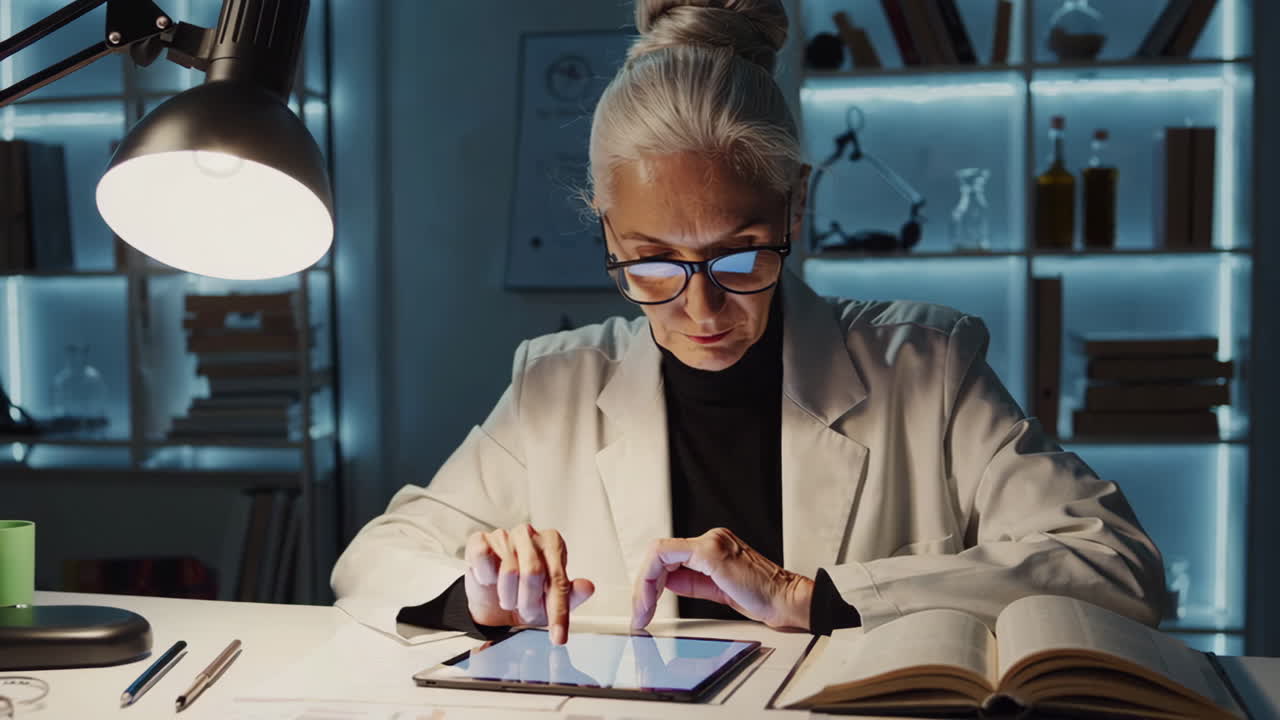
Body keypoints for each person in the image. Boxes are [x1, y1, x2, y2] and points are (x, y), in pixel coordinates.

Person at [331, 0, 1164, 647]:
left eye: (740, 256)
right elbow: (371, 561)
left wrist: (812, 598)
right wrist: (475, 591)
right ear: (608, 231)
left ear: (798, 205)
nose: (699, 308)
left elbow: (1115, 567)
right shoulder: (557, 383)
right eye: (652, 263)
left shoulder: (927, 367)